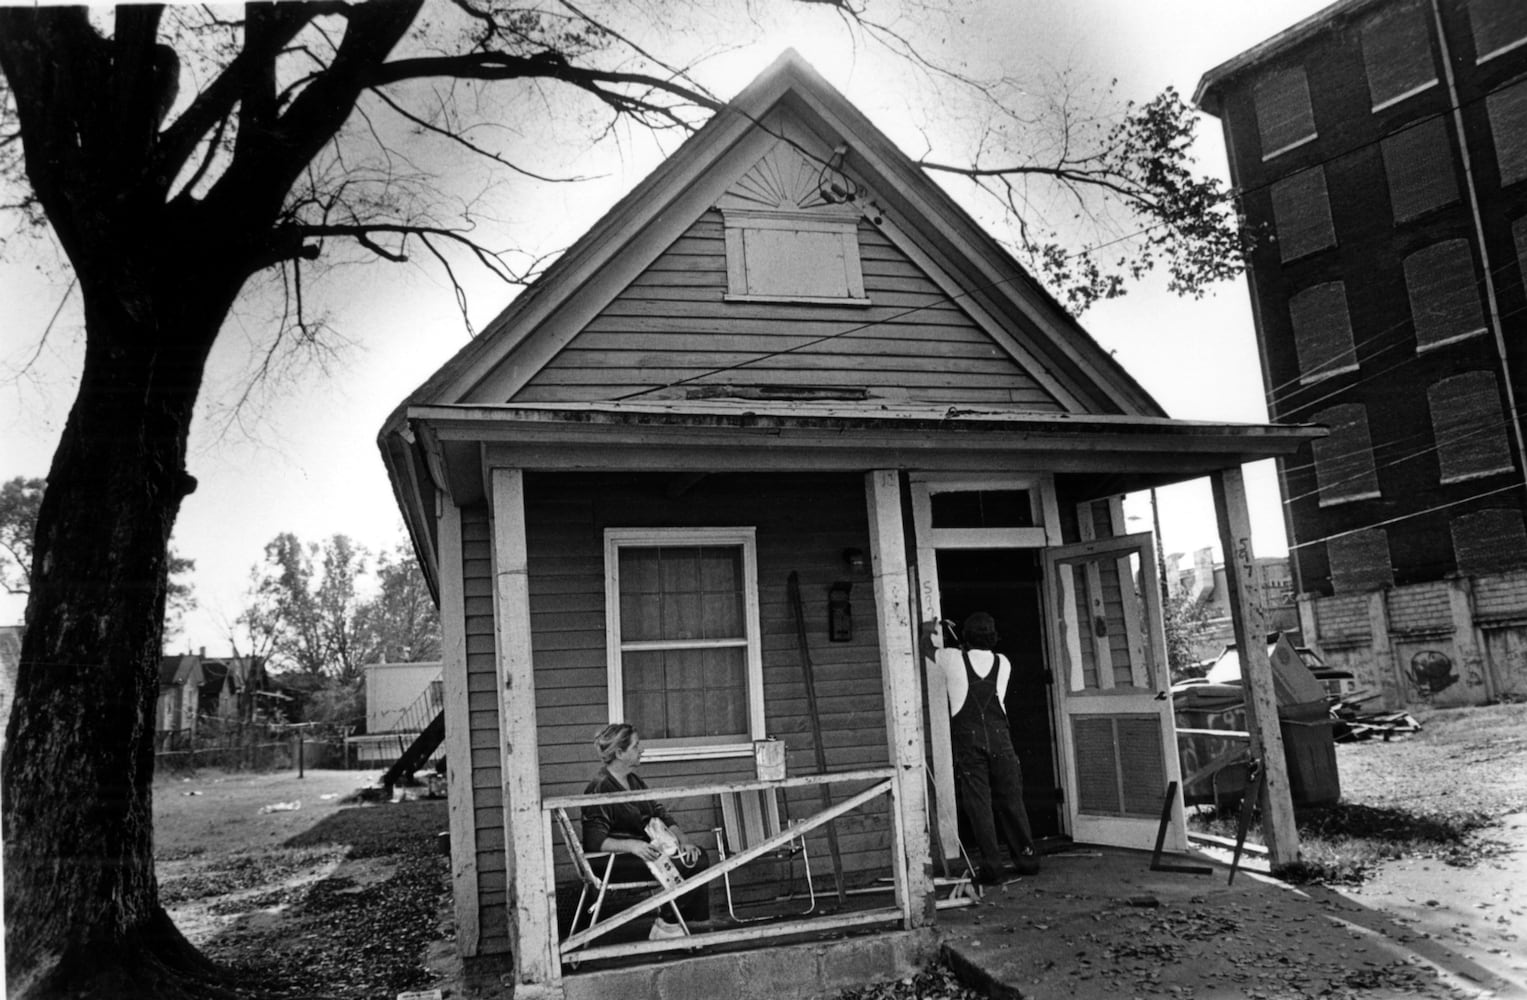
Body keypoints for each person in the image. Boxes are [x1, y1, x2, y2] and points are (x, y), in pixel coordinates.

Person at [922, 611, 1040, 885]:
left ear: (966, 637)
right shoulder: (1004, 662)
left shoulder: (952, 658)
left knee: (980, 805)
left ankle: (993, 869)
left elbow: (925, 647)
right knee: (1012, 800)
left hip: (970, 739)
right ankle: (1027, 859)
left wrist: (931, 626)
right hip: (1001, 739)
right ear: (993, 637)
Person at [581, 722, 712, 939]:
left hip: (644, 852)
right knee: (689, 865)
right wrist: (633, 846)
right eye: (635, 746)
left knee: (696, 856)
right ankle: (669, 926)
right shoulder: (600, 787)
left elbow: (659, 813)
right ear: (620, 753)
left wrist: (683, 839)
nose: (641, 750)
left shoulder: (633, 780)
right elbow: (595, 842)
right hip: (613, 860)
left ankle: (668, 924)